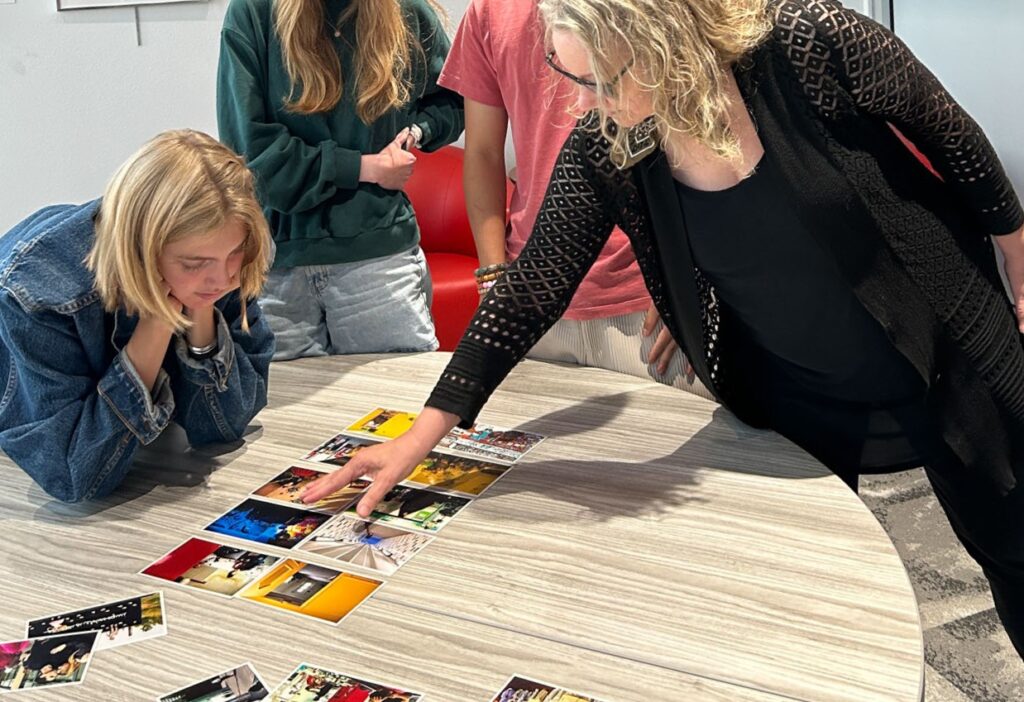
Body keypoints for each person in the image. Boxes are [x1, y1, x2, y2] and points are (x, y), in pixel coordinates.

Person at [303, 0, 1024, 658]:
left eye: (603, 81)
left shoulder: (808, 41)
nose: (588, 103)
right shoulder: (609, 142)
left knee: (1014, 550)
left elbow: (952, 135)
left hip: (946, 349)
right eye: (570, 76)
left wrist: (1019, 258)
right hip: (798, 389)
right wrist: (422, 436)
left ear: (665, 42)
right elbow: (534, 286)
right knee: (804, 583)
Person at [438, 0, 709, 394]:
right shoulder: (488, 11)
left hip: (648, 295)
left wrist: (690, 276)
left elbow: (705, 126)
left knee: (689, 428)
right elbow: (482, 153)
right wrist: (494, 278)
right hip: (534, 290)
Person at [0, 129, 274, 503]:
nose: (224, 278)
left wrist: (199, 310)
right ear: (141, 251)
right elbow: (75, 477)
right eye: (194, 263)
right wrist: (156, 325)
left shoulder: (223, 259)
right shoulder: (39, 294)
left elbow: (224, 426)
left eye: (235, 252)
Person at [217, 0, 464, 361]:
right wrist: (365, 168)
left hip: (377, 259)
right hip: (277, 265)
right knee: (289, 399)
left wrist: (416, 132)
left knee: (398, 393)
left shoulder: (404, 10)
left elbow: (455, 97)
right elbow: (254, 160)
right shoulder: (253, 11)